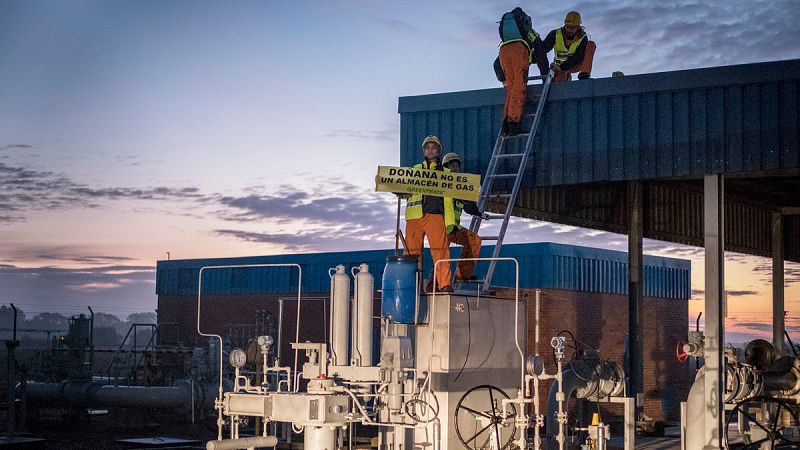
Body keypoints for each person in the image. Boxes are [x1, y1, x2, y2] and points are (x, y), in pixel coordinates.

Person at [403, 135, 455, 293]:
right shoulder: (415, 170)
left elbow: (451, 198)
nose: (430, 150)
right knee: (410, 254)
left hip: (436, 215)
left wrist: (450, 223)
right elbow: (401, 187)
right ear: (424, 151)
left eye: (434, 147)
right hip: (415, 216)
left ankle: (444, 283)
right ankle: (408, 285)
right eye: (428, 147)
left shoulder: (446, 173)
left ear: (438, 150)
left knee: (440, 250)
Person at [493, 7, 549, 137]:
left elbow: (496, 64)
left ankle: (505, 126)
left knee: (511, 90)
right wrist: (545, 77)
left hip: (504, 52)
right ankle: (513, 124)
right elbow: (541, 54)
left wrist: (503, 78)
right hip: (519, 52)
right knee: (519, 88)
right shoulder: (530, 33)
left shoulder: (507, 38)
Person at [441, 152, 487, 281]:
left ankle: (462, 274)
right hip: (440, 228)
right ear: (445, 167)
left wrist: (478, 213)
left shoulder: (461, 187)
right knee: (441, 259)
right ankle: (434, 286)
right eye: (452, 165)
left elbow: (467, 206)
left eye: (457, 165)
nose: (455, 168)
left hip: (453, 227)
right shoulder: (440, 185)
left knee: (474, 241)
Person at [542, 11, 596, 82]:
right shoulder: (555, 34)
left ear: (578, 27)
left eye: (573, 28)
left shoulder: (583, 38)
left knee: (591, 45)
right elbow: (543, 49)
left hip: (574, 65)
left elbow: (578, 56)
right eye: (568, 27)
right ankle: (566, 77)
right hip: (559, 66)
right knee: (559, 84)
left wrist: (562, 67)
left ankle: (584, 75)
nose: (569, 30)